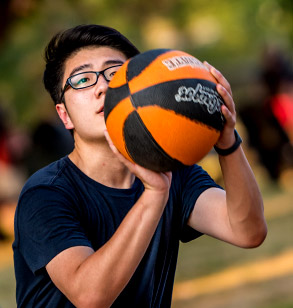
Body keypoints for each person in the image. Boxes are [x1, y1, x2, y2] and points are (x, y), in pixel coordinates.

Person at [13, 24, 267, 308]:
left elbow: (248, 231)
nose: (103, 86)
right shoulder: (45, 193)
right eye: (83, 79)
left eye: (116, 73)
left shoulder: (173, 170)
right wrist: (154, 195)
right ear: (64, 115)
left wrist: (227, 143)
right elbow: (90, 296)